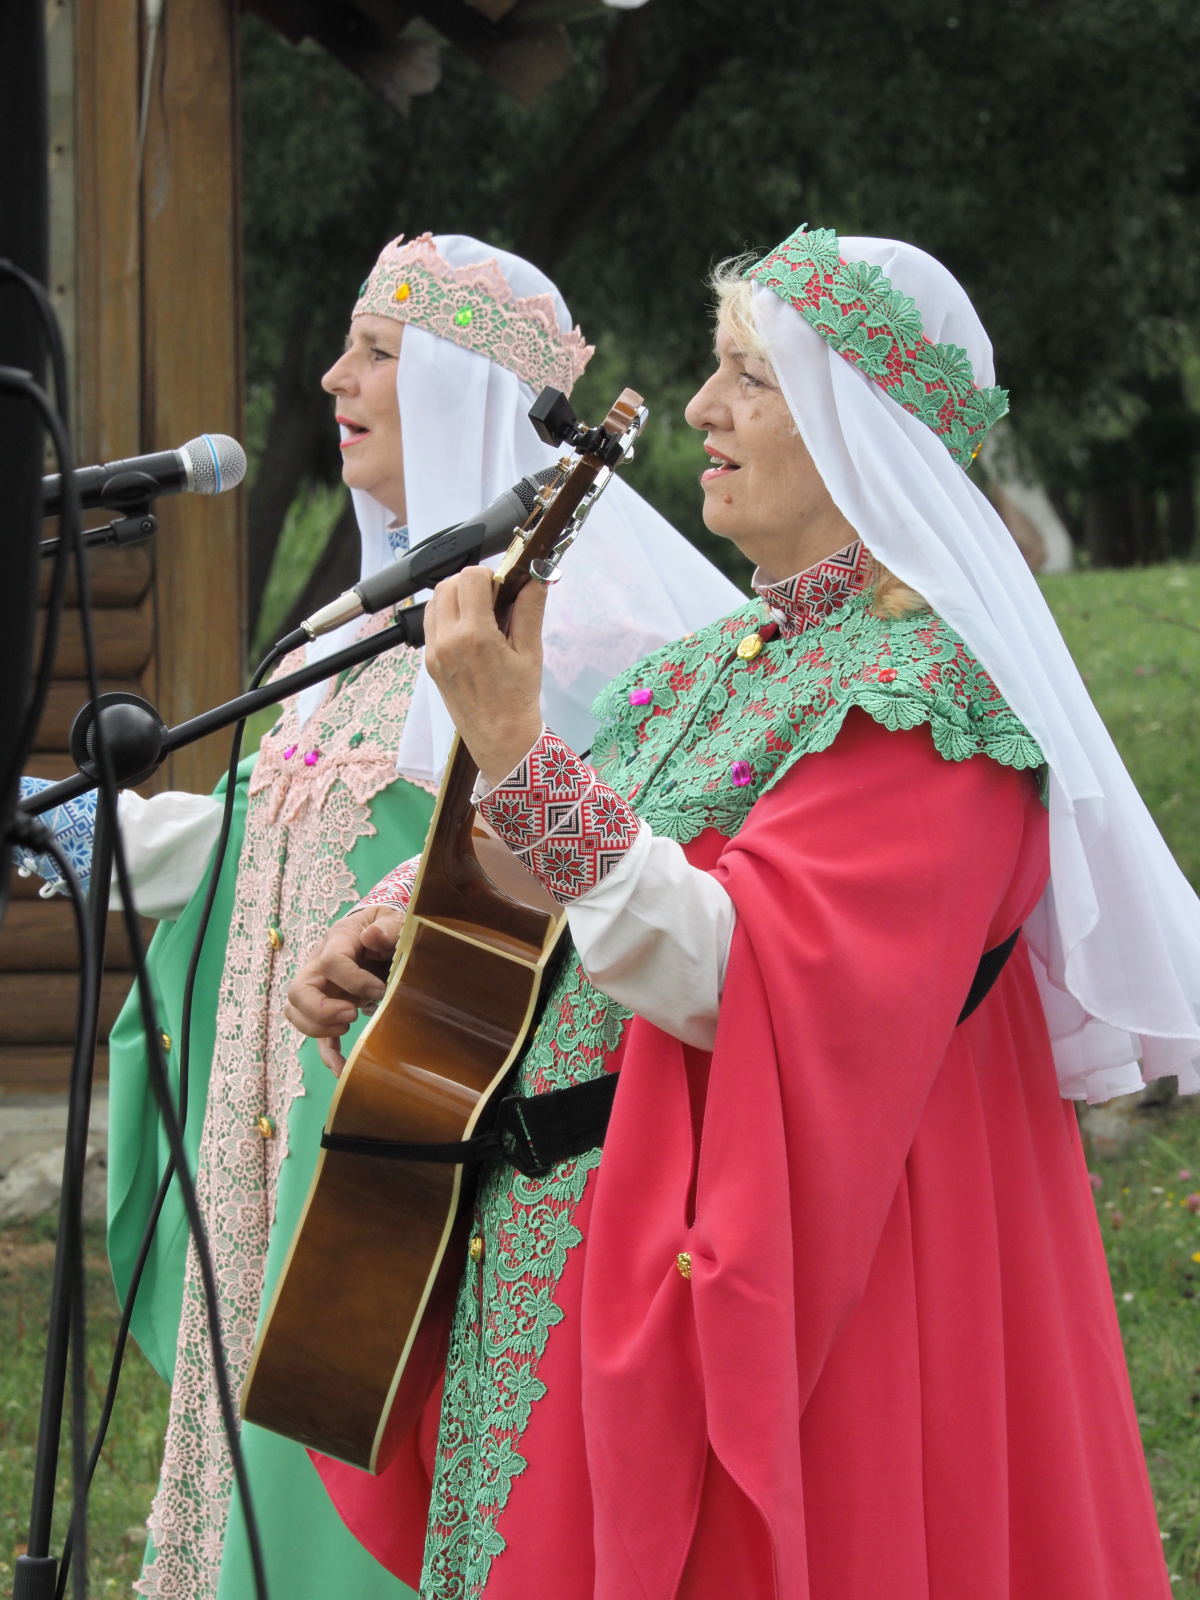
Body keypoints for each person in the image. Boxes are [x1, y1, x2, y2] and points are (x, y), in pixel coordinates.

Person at [288, 226, 1200, 1599]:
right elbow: (593, 855)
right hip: (577, 1243)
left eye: (749, 379)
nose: (702, 408)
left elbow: (743, 975)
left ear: (857, 427)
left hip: (792, 1289)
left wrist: (517, 750)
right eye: (717, 369)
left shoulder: (928, 706)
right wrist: (404, 926)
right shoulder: (729, 652)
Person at [17, 232, 739, 1600]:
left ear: (466, 391)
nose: (334, 379)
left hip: (405, 1137)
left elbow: (596, 870)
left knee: (360, 1495)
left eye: (379, 353)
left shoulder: (571, 637)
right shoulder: (355, 632)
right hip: (269, 1121)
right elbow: (258, 850)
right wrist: (67, 825)